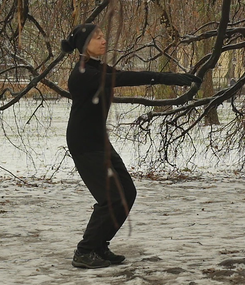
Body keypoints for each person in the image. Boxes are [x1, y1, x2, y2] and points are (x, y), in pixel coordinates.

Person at [60, 23, 201, 269]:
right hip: (84, 143)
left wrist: (168, 77)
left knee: (127, 193)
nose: (104, 40)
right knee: (111, 198)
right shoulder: (83, 74)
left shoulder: (96, 67)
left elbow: (126, 74)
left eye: (103, 35)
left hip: (99, 140)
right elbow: (123, 79)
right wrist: (166, 77)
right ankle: (84, 251)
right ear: (84, 45)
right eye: (97, 37)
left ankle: (99, 246)